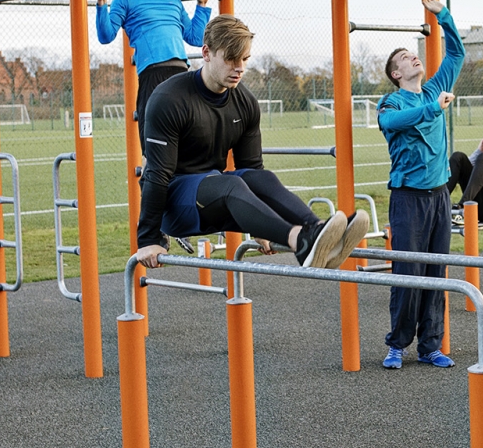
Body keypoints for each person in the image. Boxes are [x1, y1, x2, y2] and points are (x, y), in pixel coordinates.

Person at [132, 14, 371, 272]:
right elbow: (157, 175)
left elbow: (253, 171)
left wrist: (264, 224)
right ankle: (299, 241)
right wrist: (148, 238)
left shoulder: (244, 101)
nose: (239, 68)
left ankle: (316, 232)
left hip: (214, 197)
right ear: (207, 53)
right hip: (173, 203)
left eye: (245, 59)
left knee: (261, 177)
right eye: (231, 59)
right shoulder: (170, 97)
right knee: (230, 182)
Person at [376, 0, 465, 370]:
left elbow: (457, 54)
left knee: (436, 272)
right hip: (408, 198)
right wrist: (433, 108)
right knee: (407, 274)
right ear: (397, 74)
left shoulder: (432, 87)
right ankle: (397, 344)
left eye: (413, 56)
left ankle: (430, 345)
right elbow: (391, 125)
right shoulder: (392, 103)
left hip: (439, 195)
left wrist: (441, 14)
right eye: (404, 59)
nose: (414, 58)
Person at [96, 0, 213, 142]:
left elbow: (196, 37)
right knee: (152, 135)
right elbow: (106, 35)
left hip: (182, 71)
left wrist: (202, 5)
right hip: (153, 71)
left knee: (189, 131)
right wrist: (102, 3)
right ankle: (151, 170)